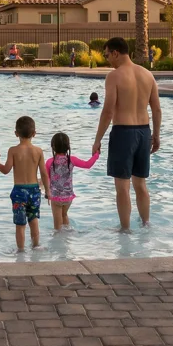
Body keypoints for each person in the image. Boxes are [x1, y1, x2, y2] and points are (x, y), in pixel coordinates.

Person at [92, 37, 162, 231]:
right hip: (144, 132)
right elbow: (156, 109)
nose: (107, 60)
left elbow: (108, 111)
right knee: (140, 184)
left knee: (122, 187)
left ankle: (125, 229)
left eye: (107, 55)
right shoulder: (147, 74)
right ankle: (146, 224)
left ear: (115, 52)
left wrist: (97, 140)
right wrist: (156, 135)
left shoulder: (114, 76)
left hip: (123, 133)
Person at [0, 116, 49, 251]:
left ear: (16, 133)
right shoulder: (38, 151)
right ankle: (36, 247)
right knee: (34, 220)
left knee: (20, 224)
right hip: (34, 190)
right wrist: (48, 191)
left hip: (19, 192)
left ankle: (21, 251)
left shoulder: (13, 150)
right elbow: (44, 174)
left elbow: (6, 170)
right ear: (34, 134)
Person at [45, 132, 98, 230]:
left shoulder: (49, 162)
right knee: (64, 215)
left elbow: (47, 179)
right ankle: (67, 237)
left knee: (57, 226)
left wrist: (47, 193)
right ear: (68, 147)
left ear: (53, 146)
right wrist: (96, 155)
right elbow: (87, 165)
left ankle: (59, 242)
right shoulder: (71, 160)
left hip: (56, 197)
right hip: (68, 197)